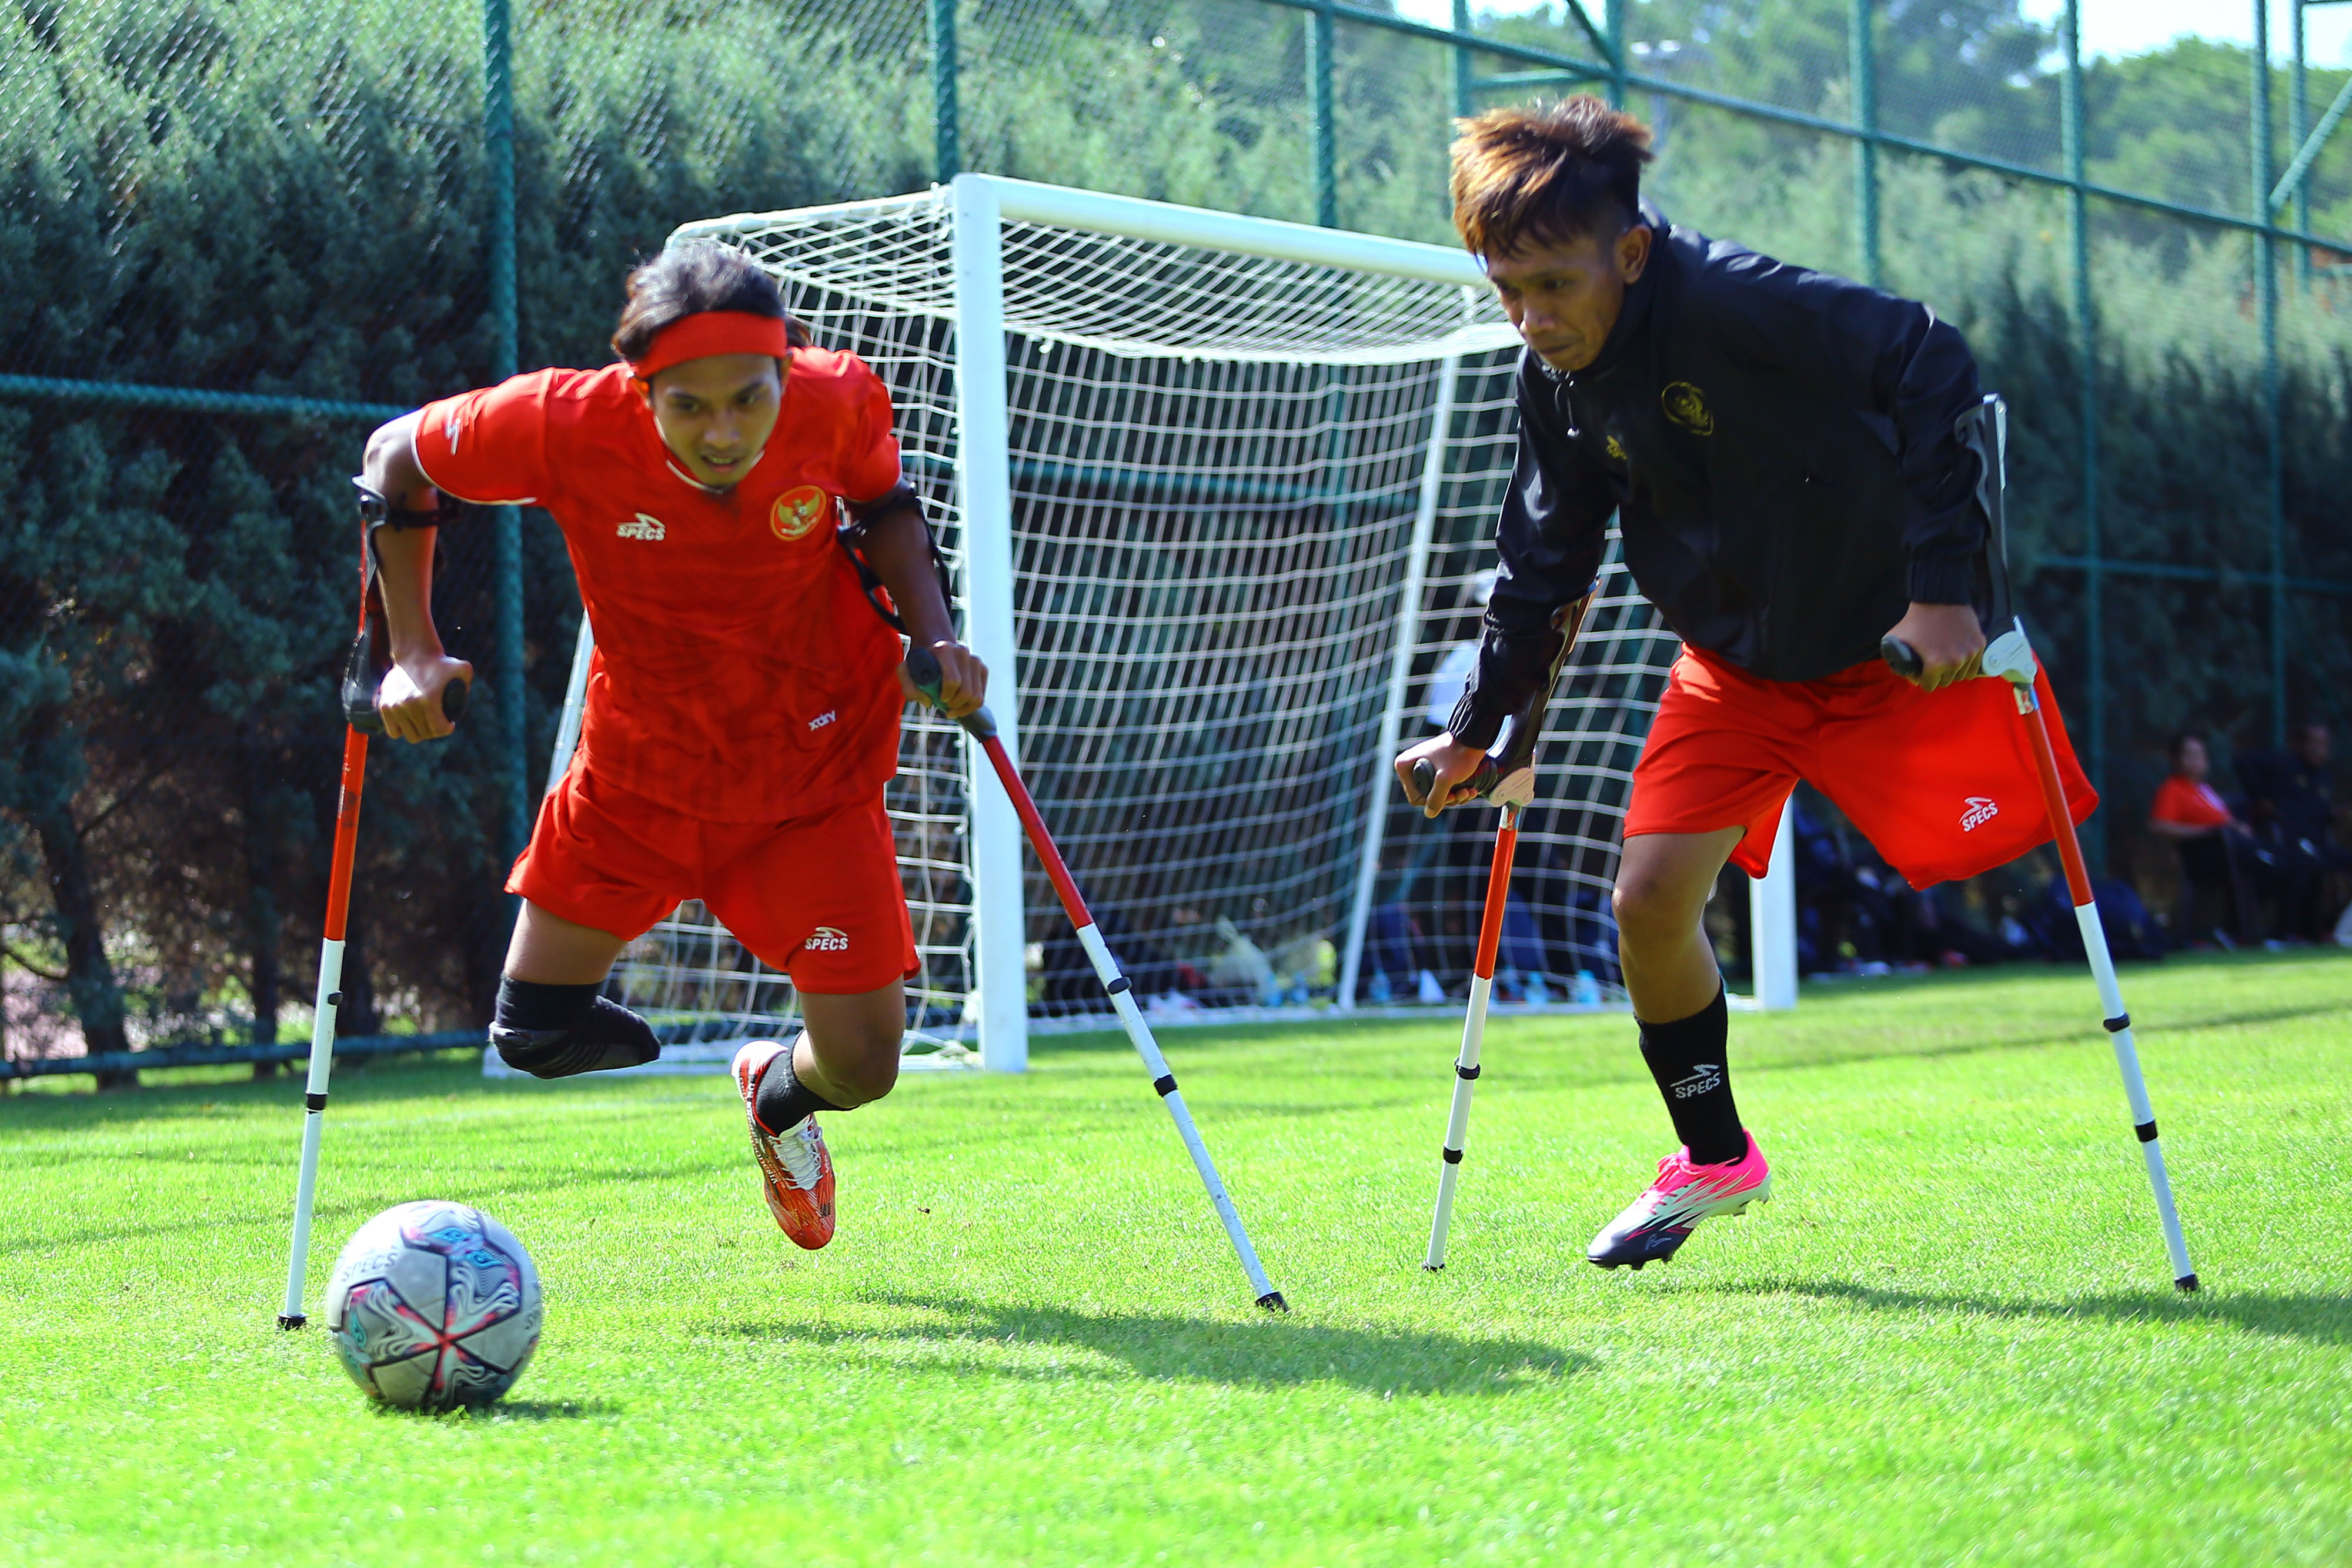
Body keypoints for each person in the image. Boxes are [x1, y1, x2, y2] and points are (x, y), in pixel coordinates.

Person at [1395, 98, 2096, 1271]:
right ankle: (1712, 1159)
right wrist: (1483, 726)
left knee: (2027, 850)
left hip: (1894, 659)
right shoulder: (1552, 380)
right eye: (1503, 290)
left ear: (1627, 251)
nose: (1527, 318)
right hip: (1732, 675)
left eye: (1552, 286)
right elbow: (1541, 557)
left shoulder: (1736, 302)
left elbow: (1928, 357)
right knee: (1645, 902)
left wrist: (1943, 588)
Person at [356, 242, 987, 1252]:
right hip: (640, 779)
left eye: (749, 398)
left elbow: (886, 511)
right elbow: (397, 457)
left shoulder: (842, 400)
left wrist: (936, 637)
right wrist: (411, 653)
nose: (723, 432)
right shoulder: (564, 422)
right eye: (688, 406)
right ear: (638, 389)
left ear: (789, 369)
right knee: (531, 1034)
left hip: (810, 775)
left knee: (865, 1066)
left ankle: (775, 1095)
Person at [2239, 721, 2348, 941]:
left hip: (2320, 843)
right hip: (2289, 841)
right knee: (2305, 864)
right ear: (2299, 744)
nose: (2319, 749)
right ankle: (2291, 931)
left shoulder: (2323, 777)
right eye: (2314, 742)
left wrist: (2337, 814)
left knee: (2340, 859)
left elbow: (2319, 813)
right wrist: (2260, 798)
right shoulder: (2283, 765)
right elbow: (2242, 761)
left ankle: (2338, 928)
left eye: (2324, 743)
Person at [2146, 733, 2259, 945]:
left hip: (2232, 848)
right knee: (2248, 862)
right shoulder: (2172, 789)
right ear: (2175, 759)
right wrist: (2205, 832)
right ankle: (2235, 933)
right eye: (2189, 755)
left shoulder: (2205, 790)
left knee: (2272, 864)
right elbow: (2159, 825)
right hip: (2202, 855)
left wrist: (2236, 827)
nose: (2197, 761)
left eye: (2201, 755)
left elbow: (2224, 821)